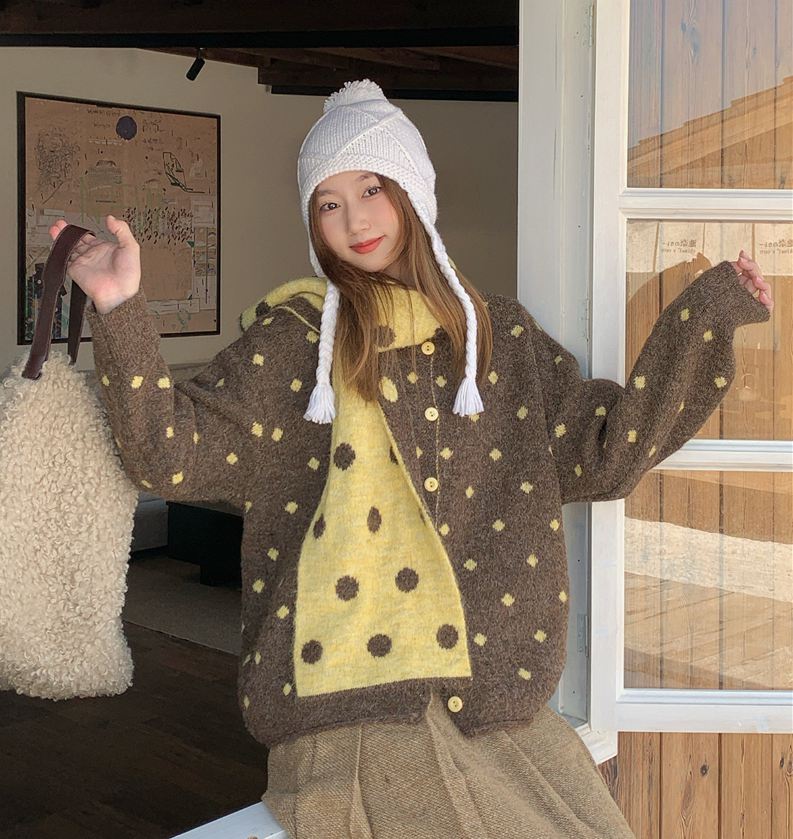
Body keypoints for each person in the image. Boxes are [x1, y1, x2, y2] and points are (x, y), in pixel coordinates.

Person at [51, 79, 773, 839]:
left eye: (372, 188)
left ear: (413, 193)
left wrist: (706, 317)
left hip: (495, 707)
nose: (354, 220)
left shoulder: (499, 341)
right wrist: (118, 307)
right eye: (327, 203)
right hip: (346, 714)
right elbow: (166, 455)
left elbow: (608, 450)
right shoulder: (293, 345)